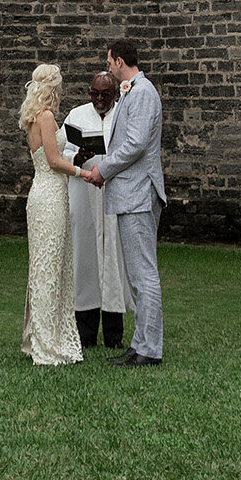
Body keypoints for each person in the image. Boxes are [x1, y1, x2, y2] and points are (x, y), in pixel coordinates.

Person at [80, 39, 165, 366]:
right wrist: (94, 164)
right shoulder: (134, 91)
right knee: (136, 276)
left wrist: (104, 169)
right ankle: (140, 343)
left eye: (110, 62)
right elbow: (125, 146)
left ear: (118, 61)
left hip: (139, 193)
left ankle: (150, 350)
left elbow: (135, 145)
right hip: (131, 192)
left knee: (144, 274)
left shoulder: (142, 93)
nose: (110, 67)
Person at [19, 61, 84, 366]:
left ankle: (44, 337)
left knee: (49, 265)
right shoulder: (44, 117)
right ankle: (45, 343)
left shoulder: (34, 117)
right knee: (47, 268)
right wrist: (82, 172)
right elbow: (54, 161)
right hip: (49, 195)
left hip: (45, 194)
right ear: (52, 88)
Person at [62, 70, 130, 349]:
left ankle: (114, 334)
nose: (99, 99)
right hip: (83, 193)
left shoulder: (124, 114)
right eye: (94, 94)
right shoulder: (76, 115)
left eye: (105, 94)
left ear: (115, 93)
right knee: (85, 258)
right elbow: (60, 152)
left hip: (114, 194)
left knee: (114, 260)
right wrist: (77, 157)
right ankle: (85, 332)